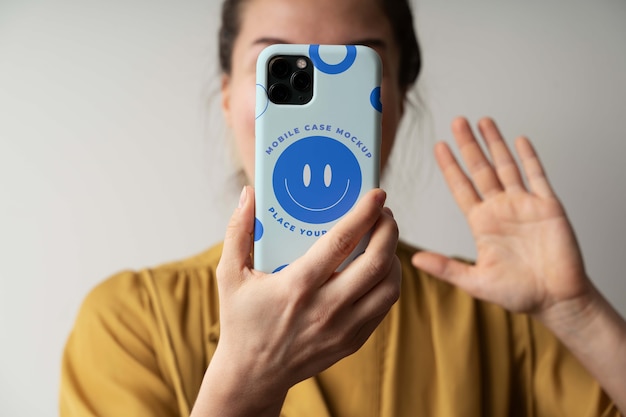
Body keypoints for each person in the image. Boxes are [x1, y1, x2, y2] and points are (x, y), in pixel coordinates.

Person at [60, 0, 626, 416]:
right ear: (230, 93)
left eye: (354, 72)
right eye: (279, 68)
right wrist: (244, 381)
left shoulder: (497, 316)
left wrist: (576, 311)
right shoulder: (132, 320)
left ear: (399, 103)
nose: (317, 118)